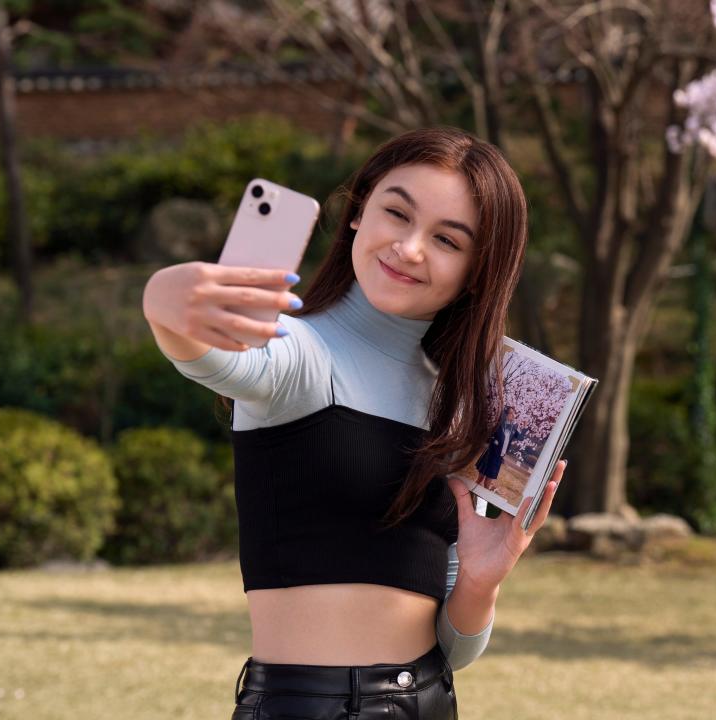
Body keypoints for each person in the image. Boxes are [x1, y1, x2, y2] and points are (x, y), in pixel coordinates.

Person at [142, 126, 568, 720]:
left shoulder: (466, 406)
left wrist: (480, 581)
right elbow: (216, 356)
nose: (409, 248)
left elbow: (456, 649)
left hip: (431, 699)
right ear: (359, 211)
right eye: (397, 213)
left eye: (447, 239)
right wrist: (165, 299)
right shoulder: (300, 351)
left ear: (477, 271)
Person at [474, 406, 525, 492]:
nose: (513, 415)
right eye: (511, 413)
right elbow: (488, 434)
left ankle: (484, 495)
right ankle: (471, 491)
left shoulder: (513, 428)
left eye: (514, 413)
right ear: (506, 415)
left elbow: (520, 438)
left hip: (498, 458)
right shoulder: (498, 424)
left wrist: (522, 427)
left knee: (487, 483)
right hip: (490, 454)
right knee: (479, 479)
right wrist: (494, 441)